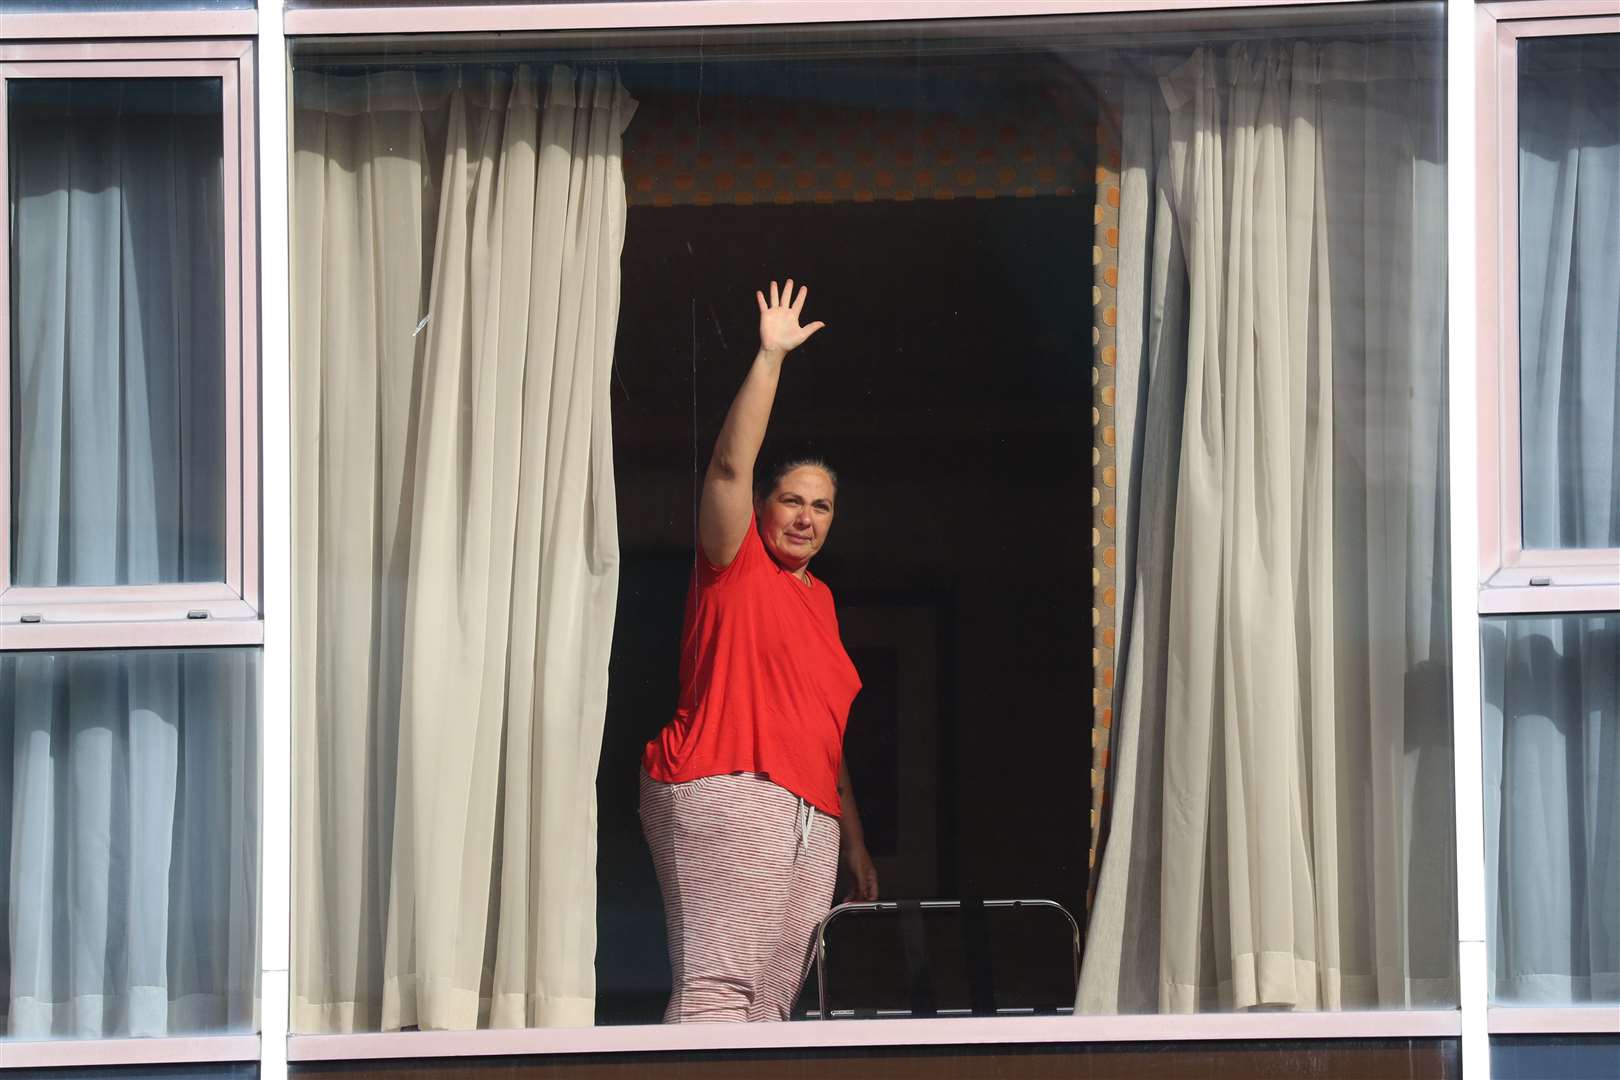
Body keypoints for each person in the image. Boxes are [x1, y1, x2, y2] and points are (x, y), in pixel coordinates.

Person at [639, 279, 880, 1024]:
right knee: (719, 996)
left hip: (812, 814)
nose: (805, 517)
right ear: (764, 507)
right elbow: (728, 470)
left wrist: (856, 845)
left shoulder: (822, 602)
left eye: (821, 505)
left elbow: (822, 728)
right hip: (729, 782)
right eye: (791, 500)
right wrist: (770, 357)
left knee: (771, 1009)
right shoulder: (734, 559)